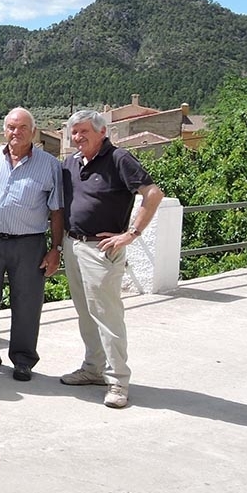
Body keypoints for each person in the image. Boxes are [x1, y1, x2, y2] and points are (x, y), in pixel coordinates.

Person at [60, 109, 164, 409]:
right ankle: (92, 369)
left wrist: (131, 234)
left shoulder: (119, 159)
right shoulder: (71, 163)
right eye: (74, 132)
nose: (78, 137)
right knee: (85, 312)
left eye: (84, 132)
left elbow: (153, 194)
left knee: (108, 317)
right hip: (74, 245)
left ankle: (118, 381)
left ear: (102, 132)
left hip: (101, 250)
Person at [0, 108, 64, 381]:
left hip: (29, 244)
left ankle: (22, 360)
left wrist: (55, 249)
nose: (15, 132)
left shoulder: (49, 165)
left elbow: (57, 211)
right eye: (11, 127)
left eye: (22, 128)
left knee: (28, 302)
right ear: (4, 129)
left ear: (33, 131)